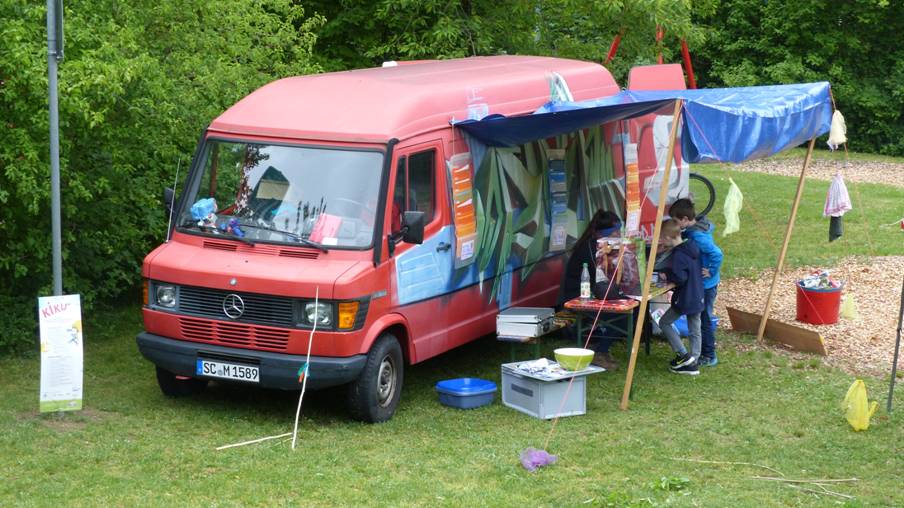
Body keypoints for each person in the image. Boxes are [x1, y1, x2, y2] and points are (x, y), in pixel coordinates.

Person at [560, 210, 623, 370]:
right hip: (581, 296)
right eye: (616, 232)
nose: (619, 235)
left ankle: (601, 346)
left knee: (631, 310)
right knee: (620, 315)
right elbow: (600, 278)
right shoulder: (590, 249)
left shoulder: (601, 246)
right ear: (605, 233)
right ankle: (601, 352)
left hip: (594, 291)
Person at [668, 198, 723, 367]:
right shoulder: (694, 229)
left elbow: (718, 254)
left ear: (685, 219)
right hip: (704, 283)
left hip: (706, 284)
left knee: (704, 318)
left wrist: (711, 270)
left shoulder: (698, 237)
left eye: (677, 222)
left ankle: (709, 354)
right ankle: (701, 353)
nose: (676, 225)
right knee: (701, 318)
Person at [655, 219, 705, 375]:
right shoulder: (692, 247)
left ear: (669, 237)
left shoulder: (678, 255)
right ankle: (695, 359)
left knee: (664, 322)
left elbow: (680, 277)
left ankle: (684, 355)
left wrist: (666, 274)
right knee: (695, 328)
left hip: (684, 297)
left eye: (663, 237)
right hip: (697, 294)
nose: (662, 241)